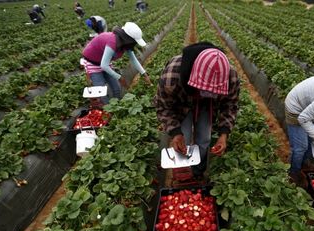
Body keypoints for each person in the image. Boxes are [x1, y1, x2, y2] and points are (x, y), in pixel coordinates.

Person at [154, 42, 240, 179]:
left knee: (205, 139)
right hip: (182, 103)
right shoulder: (172, 77)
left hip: (208, 105)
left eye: (212, 92)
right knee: (184, 138)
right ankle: (182, 170)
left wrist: (224, 134)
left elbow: (230, 105)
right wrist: (176, 133)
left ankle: (197, 172)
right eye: (203, 91)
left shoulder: (230, 77)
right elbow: (164, 107)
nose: (205, 94)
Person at [81, 22, 152, 104]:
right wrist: (120, 78)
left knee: (116, 89)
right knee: (101, 92)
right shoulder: (113, 42)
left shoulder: (125, 44)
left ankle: (117, 107)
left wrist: (144, 74)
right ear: (128, 38)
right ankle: (108, 111)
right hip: (93, 63)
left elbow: (133, 60)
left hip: (105, 62)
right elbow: (104, 65)